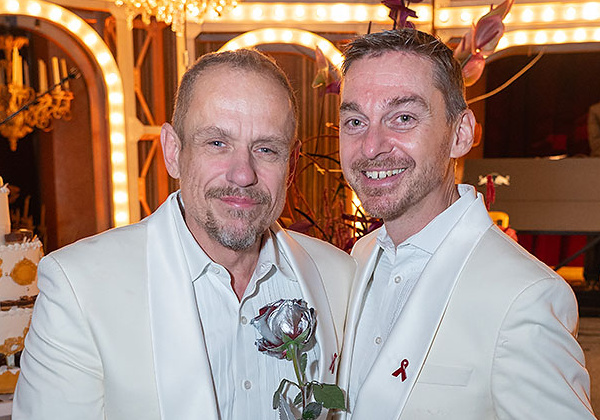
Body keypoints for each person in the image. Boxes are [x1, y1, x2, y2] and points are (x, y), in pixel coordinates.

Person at [14, 49, 355, 420]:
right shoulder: (79, 286)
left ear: (291, 165)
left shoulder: (339, 277)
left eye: (266, 149)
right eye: (217, 143)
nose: (243, 174)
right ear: (173, 151)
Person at [336, 29, 595, 419]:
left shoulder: (526, 297)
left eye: (403, 118)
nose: (371, 146)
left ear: (460, 134)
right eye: (355, 121)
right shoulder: (360, 256)